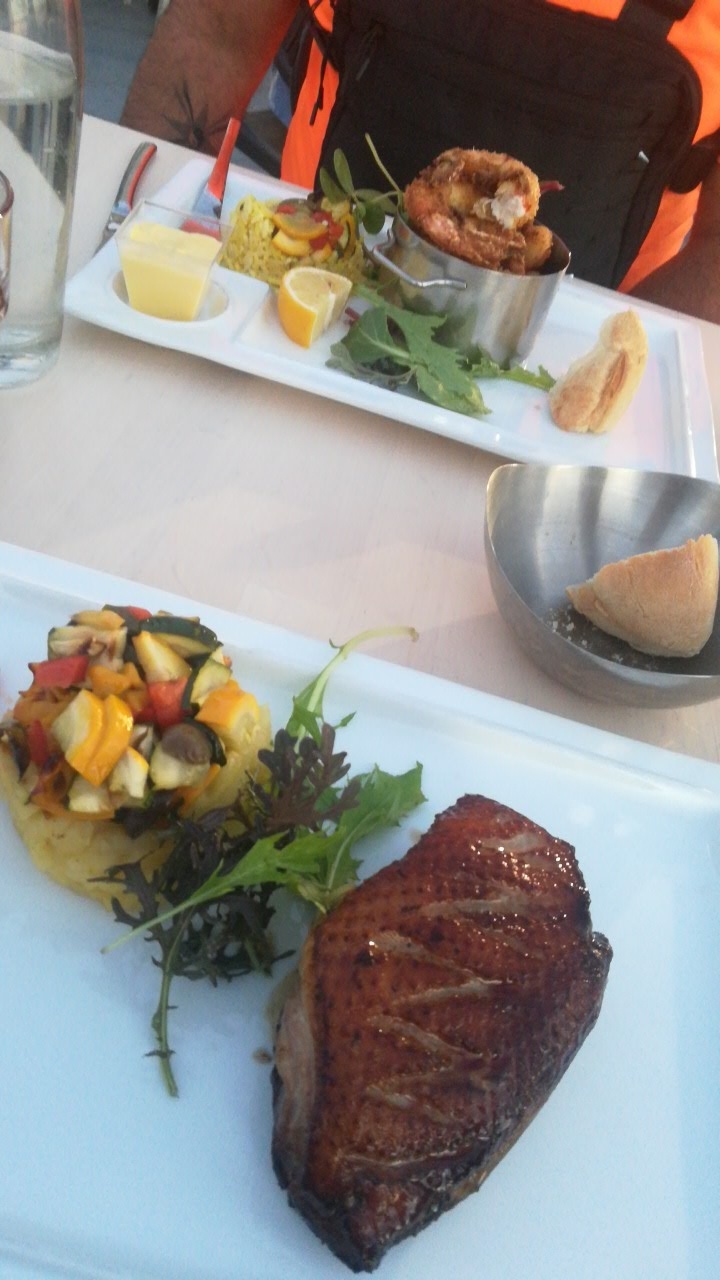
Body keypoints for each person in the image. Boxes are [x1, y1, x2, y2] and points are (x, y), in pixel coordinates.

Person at [121, 0, 720, 322]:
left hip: (554, 404)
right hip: (288, 310)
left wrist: (605, 370)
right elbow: (216, 34)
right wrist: (138, 251)